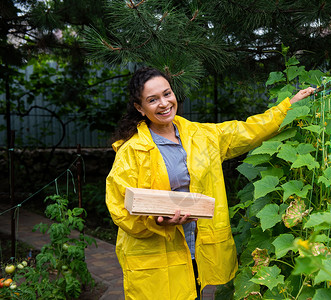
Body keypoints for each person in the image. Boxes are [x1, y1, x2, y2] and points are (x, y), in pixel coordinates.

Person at [105, 66, 315, 300]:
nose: (164, 103)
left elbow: (247, 130)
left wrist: (288, 107)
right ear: (139, 108)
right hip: (156, 253)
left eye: (167, 94)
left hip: (196, 248)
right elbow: (119, 207)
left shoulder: (200, 135)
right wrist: (156, 223)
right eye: (152, 100)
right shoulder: (131, 150)